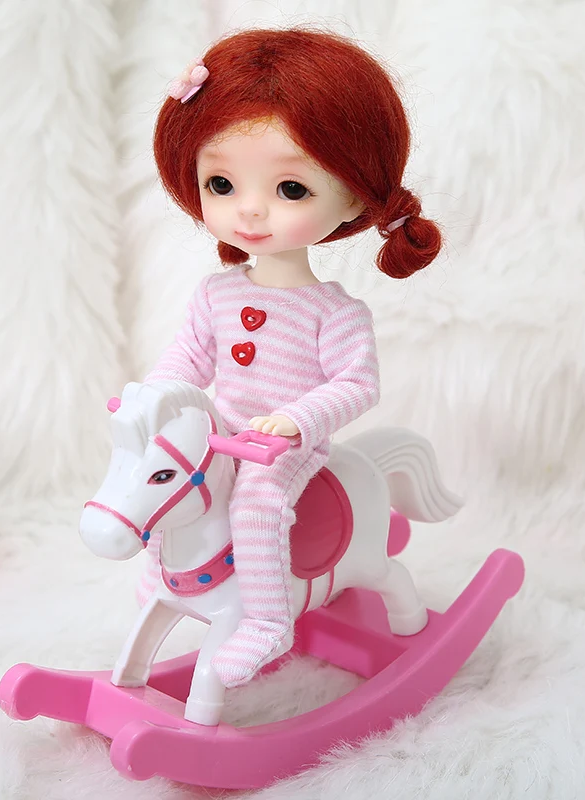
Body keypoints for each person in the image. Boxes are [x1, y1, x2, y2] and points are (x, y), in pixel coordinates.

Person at [138, 27, 442, 688]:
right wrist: (158, 396)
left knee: (256, 502)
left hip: (283, 448)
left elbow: (357, 384)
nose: (249, 210)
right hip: (222, 431)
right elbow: (189, 359)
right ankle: (165, 575)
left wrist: (296, 421)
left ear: (353, 197)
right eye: (222, 182)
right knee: (160, 473)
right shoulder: (216, 293)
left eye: (291, 189)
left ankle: (267, 621)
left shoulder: (333, 312)